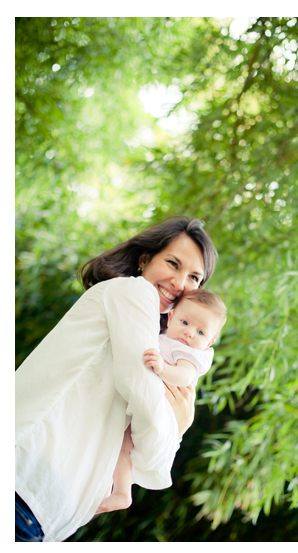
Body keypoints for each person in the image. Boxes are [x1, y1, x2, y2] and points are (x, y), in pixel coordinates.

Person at [15, 217, 218, 542]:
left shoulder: (160, 341)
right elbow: (144, 399)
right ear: (144, 260)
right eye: (172, 263)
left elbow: (141, 458)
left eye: (194, 276)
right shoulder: (133, 292)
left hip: (43, 510)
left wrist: (169, 430)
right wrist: (177, 427)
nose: (180, 282)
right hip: (23, 481)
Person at [97, 288, 228, 514]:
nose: (189, 333)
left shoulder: (191, 353)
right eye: (185, 322)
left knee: (124, 442)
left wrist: (162, 368)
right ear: (171, 316)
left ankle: (119, 491)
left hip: (164, 416)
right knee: (123, 445)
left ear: (211, 341)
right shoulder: (163, 338)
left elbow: (184, 376)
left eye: (200, 332)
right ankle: (121, 492)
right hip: (148, 411)